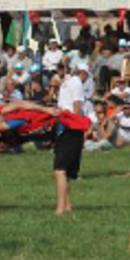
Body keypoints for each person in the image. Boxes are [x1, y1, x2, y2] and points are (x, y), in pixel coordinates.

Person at [54, 64, 90, 216]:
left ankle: (65, 206)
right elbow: (77, 103)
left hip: (62, 124)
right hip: (70, 125)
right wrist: (78, 123)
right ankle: (62, 207)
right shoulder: (77, 84)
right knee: (61, 170)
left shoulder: (67, 81)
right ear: (84, 74)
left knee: (62, 170)